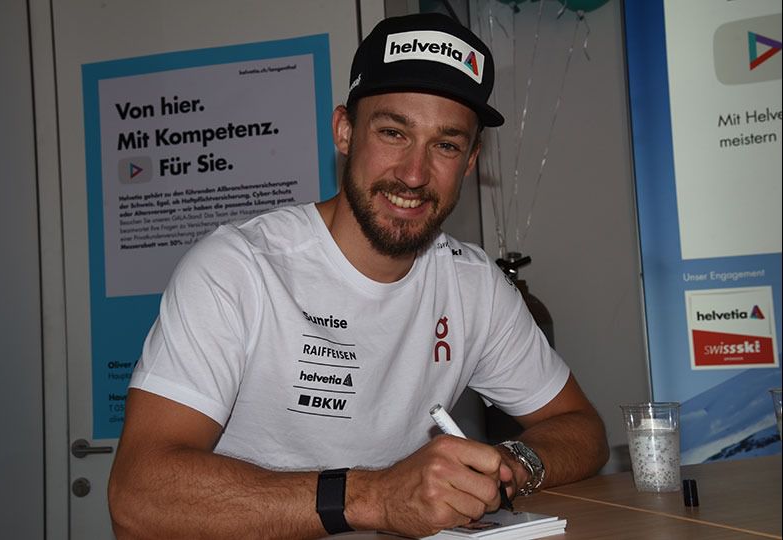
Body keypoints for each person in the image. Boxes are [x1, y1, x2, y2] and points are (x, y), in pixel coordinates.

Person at [108, 11, 608, 540]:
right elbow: (138, 497)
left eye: (445, 144)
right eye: (393, 132)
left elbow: (583, 429)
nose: (414, 174)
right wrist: (374, 497)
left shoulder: (472, 286)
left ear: (469, 161)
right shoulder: (238, 268)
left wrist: (507, 466)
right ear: (344, 132)